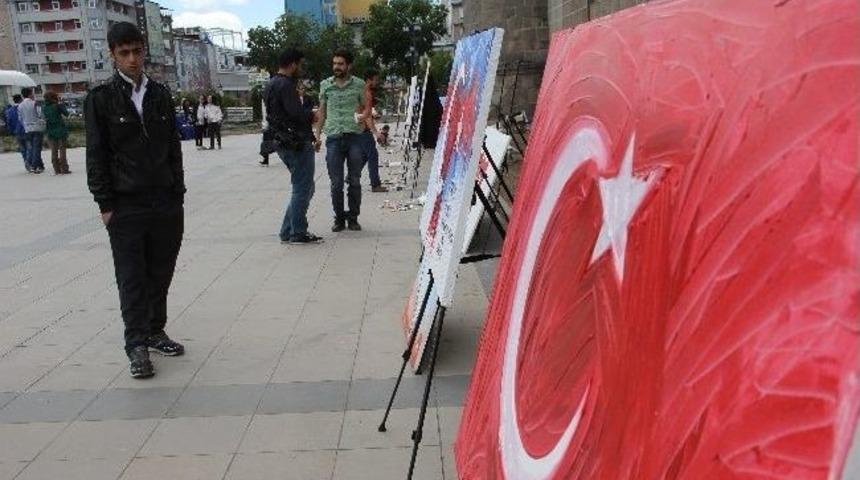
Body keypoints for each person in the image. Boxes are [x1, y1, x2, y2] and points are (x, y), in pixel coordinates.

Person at [85, 21, 186, 379]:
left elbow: (173, 147)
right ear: (112, 55)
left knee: (161, 271)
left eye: (137, 51)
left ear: (144, 51)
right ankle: (137, 345)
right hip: (125, 205)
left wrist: (178, 193)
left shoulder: (159, 94)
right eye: (124, 53)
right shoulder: (100, 99)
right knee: (131, 277)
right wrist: (105, 205)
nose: (132, 59)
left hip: (165, 202)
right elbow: (96, 155)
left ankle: (155, 330)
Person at [264, 48, 322, 244]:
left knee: (305, 187)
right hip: (296, 143)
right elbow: (295, 115)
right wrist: (312, 114)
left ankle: (287, 230)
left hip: (283, 142)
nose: (301, 69)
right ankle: (298, 232)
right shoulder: (286, 85)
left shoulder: (271, 84)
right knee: (302, 188)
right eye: (300, 64)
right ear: (293, 64)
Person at [315, 49, 367, 232]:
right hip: (334, 139)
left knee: (354, 180)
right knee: (336, 183)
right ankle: (339, 218)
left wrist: (363, 120)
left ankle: (353, 218)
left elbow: (366, 107)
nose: (336, 67)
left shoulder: (359, 84)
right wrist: (317, 135)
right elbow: (322, 112)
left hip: (354, 138)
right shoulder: (325, 85)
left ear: (349, 66)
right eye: (334, 63)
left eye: (340, 64)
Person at [358, 69, 387, 193]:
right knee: (373, 155)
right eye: (375, 79)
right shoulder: (367, 93)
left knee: (365, 155)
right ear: (369, 80)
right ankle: (375, 185)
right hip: (363, 129)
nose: (377, 82)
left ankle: (352, 176)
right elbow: (367, 116)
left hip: (359, 128)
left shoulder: (360, 91)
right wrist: (376, 133)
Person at [18, 87, 45, 174]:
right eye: (32, 93)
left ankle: (37, 164)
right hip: (37, 128)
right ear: (30, 94)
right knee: (37, 148)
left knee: (32, 147)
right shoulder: (35, 103)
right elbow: (40, 115)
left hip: (27, 129)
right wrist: (42, 122)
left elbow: (20, 118)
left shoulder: (20, 105)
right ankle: (34, 166)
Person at [43, 91, 71, 175]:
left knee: (54, 150)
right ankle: (64, 168)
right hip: (60, 129)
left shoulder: (44, 107)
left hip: (50, 130)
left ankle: (56, 169)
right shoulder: (58, 106)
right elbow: (66, 114)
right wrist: (61, 103)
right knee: (62, 149)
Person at [5, 94, 27, 170]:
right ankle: (30, 161)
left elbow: (9, 122)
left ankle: (26, 161)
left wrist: (11, 131)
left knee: (23, 148)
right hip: (26, 130)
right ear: (21, 99)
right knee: (29, 147)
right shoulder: (24, 108)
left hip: (17, 132)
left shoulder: (9, 111)